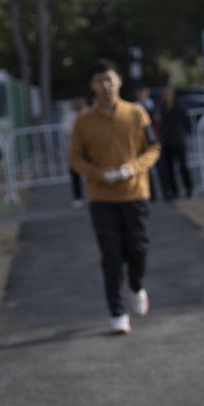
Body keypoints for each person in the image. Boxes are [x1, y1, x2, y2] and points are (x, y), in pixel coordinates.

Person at [68, 58, 161, 335]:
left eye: (109, 79)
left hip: (135, 193)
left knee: (138, 249)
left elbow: (153, 148)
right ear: (92, 85)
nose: (105, 85)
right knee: (110, 255)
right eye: (99, 80)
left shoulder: (136, 113)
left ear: (119, 80)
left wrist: (133, 168)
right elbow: (74, 157)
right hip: (102, 198)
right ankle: (117, 312)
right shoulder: (83, 121)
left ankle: (136, 286)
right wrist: (96, 173)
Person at [157, 86, 194, 199]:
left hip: (178, 141)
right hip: (166, 142)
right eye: (164, 93)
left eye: (168, 93)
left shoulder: (179, 107)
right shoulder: (161, 108)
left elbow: (187, 122)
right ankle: (173, 191)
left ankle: (189, 188)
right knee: (168, 169)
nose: (166, 95)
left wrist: (185, 133)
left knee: (183, 166)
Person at [63, 95, 88, 209]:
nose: (79, 102)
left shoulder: (90, 113)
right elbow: (67, 130)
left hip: (90, 148)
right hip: (74, 149)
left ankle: (97, 195)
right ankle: (78, 198)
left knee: (93, 172)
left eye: (81, 100)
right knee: (75, 174)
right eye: (77, 100)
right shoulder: (69, 115)